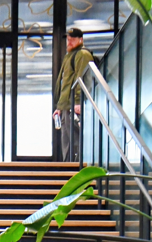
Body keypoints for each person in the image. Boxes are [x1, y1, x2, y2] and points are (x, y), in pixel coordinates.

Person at [54, 27, 94, 161]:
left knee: (74, 141)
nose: (69, 42)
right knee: (67, 142)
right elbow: (64, 82)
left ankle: (75, 170)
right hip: (66, 105)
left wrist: (78, 102)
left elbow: (81, 80)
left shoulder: (82, 54)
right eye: (68, 40)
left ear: (80, 40)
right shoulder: (69, 56)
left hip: (73, 104)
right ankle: (68, 171)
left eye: (72, 40)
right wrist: (59, 106)